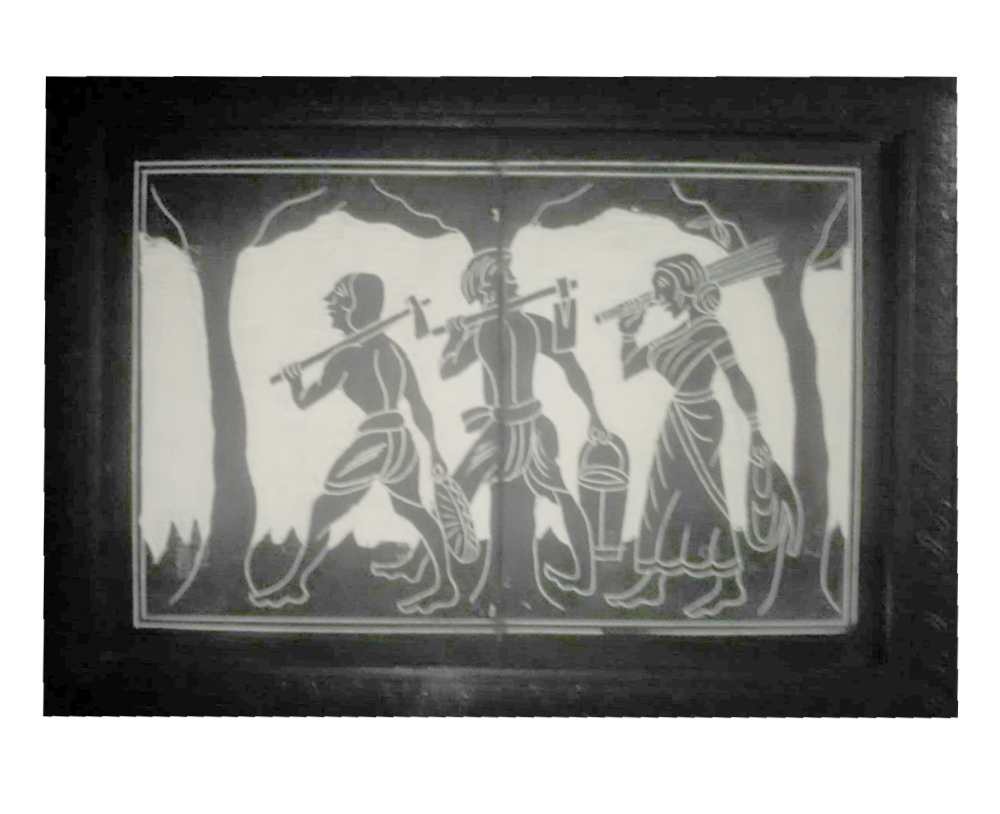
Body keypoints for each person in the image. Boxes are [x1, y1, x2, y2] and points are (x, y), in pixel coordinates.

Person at [382, 249, 606, 611]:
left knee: (539, 494)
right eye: (503, 279)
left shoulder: (519, 325)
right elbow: (448, 369)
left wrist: (594, 414)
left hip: (525, 428)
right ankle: (433, 570)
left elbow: (568, 359)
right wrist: (456, 336)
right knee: (460, 494)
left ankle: (583, 576)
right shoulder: (487, 328)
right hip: (505, 428)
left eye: (510, 277)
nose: (513, 282)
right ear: (485, 290)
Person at [250, 272, 457, 615]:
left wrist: (294, 381)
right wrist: (433, 450)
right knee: (411, 509)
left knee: (323, 509)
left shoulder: (345, 355)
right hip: (402, 443)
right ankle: (445, 584)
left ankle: (294, 583)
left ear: (354, 305)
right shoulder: (395, 351)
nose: (329, 305)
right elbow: (418, 406)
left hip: (376, 443)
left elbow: (304, 401)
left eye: (336, 299)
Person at [605, 254, 768, 618]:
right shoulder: (674, 336)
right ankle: (652, 581)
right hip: (677, 417)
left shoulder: (711, 331)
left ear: (684, 287)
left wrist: (756, 428)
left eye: (664, 289)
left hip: (703, 419)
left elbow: (737, 379)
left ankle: (729, 584)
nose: (659, 298)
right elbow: (630, 367)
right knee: (659, 496)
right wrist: (629, 332)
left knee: (706, 497)